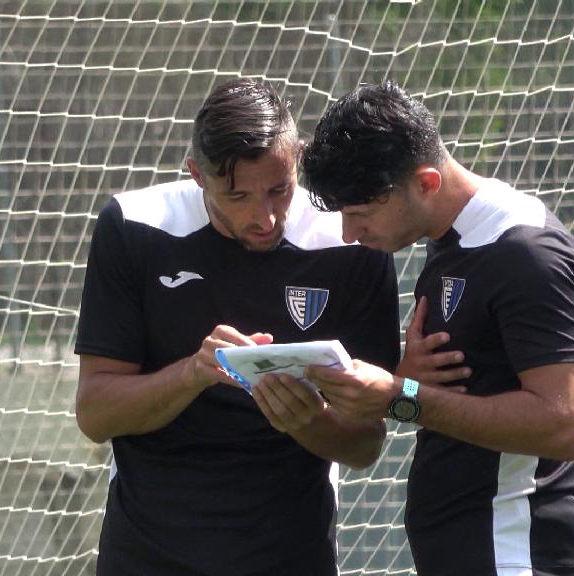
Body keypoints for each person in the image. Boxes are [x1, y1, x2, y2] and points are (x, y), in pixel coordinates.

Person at [73, 78, 401, 576]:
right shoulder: (135, 225)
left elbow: (365, 445)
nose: (264, 216)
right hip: (148, 552)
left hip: (289, 551)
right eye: (238, 196)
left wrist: (307, 419)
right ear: (196, 176)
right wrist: (192, 374)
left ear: (299, 158)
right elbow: (95, 415)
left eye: (278, 189)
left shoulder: (349, 243)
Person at [300, 81, 574, 576]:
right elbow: (467, 393)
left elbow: (563, 424)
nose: (348, 234)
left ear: (426, 183)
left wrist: (400, 396)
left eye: (359, 213)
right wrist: (406, 382)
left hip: (519, 556)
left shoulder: (526, 255)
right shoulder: (454, 240)